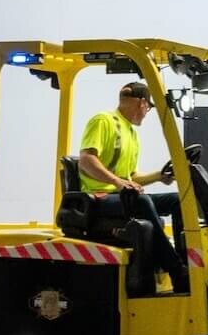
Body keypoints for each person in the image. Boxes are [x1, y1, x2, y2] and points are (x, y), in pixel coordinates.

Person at [76, 81, 189, 293]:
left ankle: (188, 261)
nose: (146, 114)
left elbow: (131, 177)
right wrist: (118, 182)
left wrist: (159, 176)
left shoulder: (131, 133)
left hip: (122, 196)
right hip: (98, 198)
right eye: (148, 108)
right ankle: (176, 270)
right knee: (141, 201)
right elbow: (86, 160)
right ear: (142, 103)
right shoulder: (103, 121)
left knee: (178, 200)